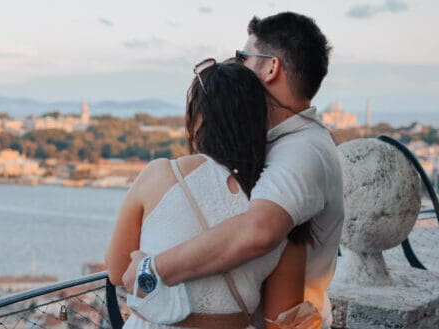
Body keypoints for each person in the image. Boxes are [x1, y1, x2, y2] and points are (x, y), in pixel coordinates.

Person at [121, 12, 343, 328]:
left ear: (271, 67)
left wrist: (152, 270)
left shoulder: (302, 150)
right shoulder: (281, 142)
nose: (236, 67)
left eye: (243, 58)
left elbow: (258, 232)